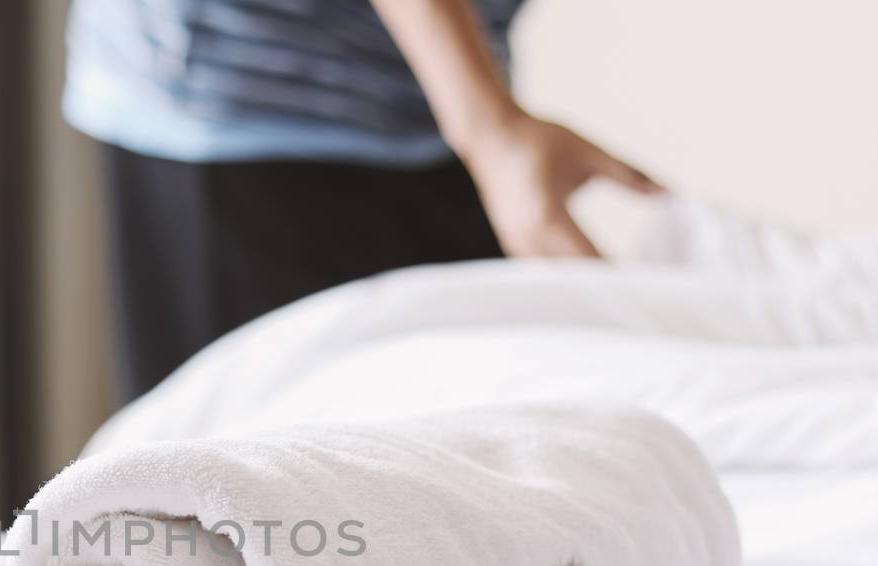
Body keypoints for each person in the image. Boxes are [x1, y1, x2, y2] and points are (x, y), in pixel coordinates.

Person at [64, 0, 663, 401]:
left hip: (435, 103)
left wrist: (489, 125)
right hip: (246, 96)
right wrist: (491, 130)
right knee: (242, 513)